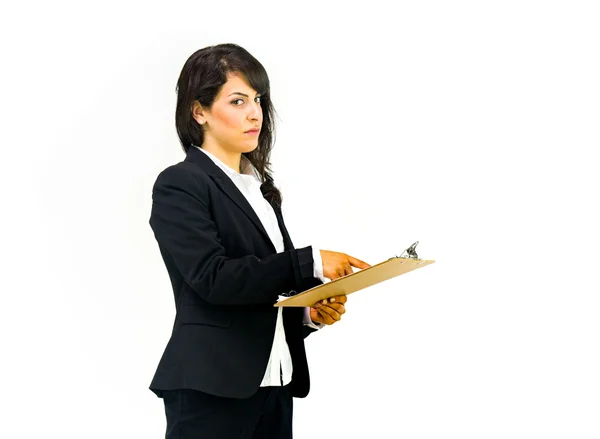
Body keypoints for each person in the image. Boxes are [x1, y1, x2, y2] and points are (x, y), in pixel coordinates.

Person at [148, 43, 371, 439]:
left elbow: (262, 287)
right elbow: (213, 278)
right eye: (237, 101)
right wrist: (310, 262)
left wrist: (306, 314)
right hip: (211, 388)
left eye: (257, 100)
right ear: (198, 111)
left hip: (274, 386)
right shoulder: (180, 183)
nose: (255, 113)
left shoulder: (261, 190)